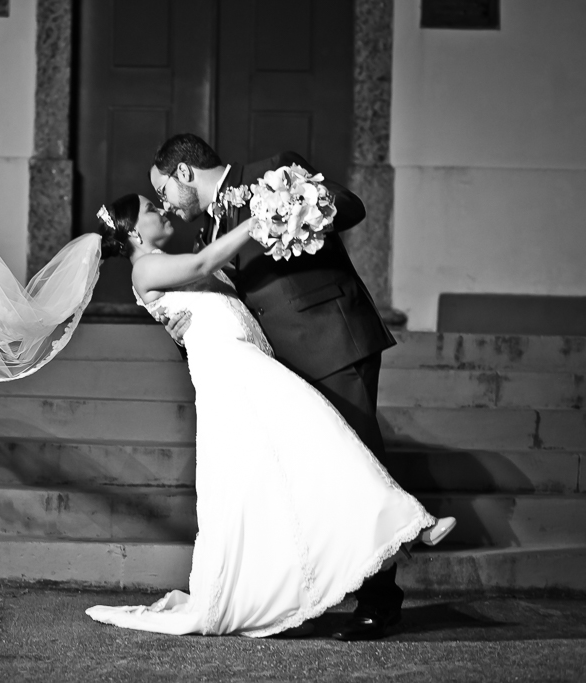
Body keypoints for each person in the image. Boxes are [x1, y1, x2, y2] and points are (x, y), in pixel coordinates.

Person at [84, 194, 453, 637]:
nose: (162, 211)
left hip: (247, 364)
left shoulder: (170, 258)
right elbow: (203, 267)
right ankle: (406, 525)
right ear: (133, 232)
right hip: (231, 371)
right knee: (320, 438)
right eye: (150, 209)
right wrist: (260, 219)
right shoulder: (145, 267)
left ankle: (392, 529)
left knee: (299, 462)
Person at [148, 133, 412, 640]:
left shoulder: (274, 169)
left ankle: (381, 599)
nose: (165, 206)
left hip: (333, 340)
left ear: (184, 173)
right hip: (284, 366)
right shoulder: (208, 237)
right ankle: (327, 590)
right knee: (321, 479)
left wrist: (292, 207)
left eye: (163, 191)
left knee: (360, 464)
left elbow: (350, 207)